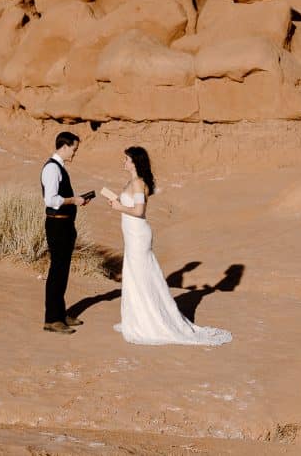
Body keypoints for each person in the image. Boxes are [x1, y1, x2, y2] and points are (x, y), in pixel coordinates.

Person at [107, 146, 232, 346]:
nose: (123, 162)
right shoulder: (133, 181)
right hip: (132, 235)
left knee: (142, 275)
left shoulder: (138, 184)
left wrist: (119, 207)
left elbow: (139, 211)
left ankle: (151, 321)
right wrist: (118, 203)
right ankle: (138, 318)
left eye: (126, 159)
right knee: (135, 274)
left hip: (138, 235)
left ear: (135, 162)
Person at [40, 131, 91, 334]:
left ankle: (60, 314)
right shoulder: (52, 169)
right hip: (57, 225)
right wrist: (74, 200)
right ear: (64, 146)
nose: (74, 153)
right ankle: (52, 319)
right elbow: (51, 200)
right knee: (57, 272)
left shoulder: (59, 167)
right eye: (74, 149)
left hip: (65, 225)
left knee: (62, 271)